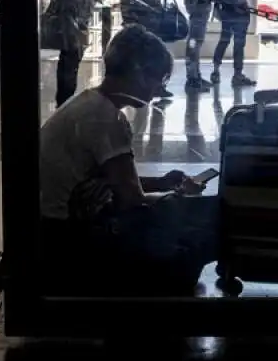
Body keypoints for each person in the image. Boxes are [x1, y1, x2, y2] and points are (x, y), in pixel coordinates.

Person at [39, 24, 219, 295]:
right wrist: (180, 195)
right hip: (70, 242)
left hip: (49, 236)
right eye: (160, 78)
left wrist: (160, 184)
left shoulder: (88, 104)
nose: (160, 89)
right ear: (139, 73)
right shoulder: (106, 118)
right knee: (200, 237)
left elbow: (113, 180)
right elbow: (132, 201)